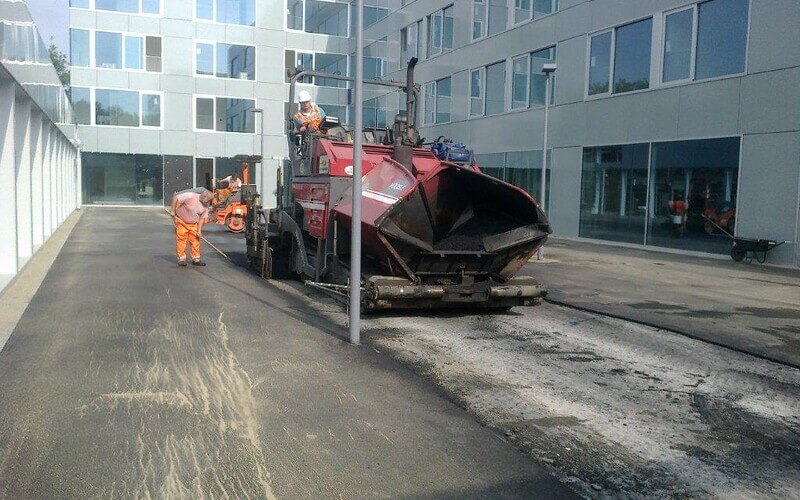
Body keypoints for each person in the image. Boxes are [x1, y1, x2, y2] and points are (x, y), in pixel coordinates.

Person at [171, 189, 214, 267]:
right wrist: (173, 210)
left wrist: (199, 231)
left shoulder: (206, 205)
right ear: (203, 196)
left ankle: (196, 259)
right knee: (181, 240)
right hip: (182, 222)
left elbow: (202, 218)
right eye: (207, 200)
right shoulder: (190, 196)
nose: (208, 203)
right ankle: (181, 259)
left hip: (194, 224)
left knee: (195, 241)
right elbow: (176, 197)